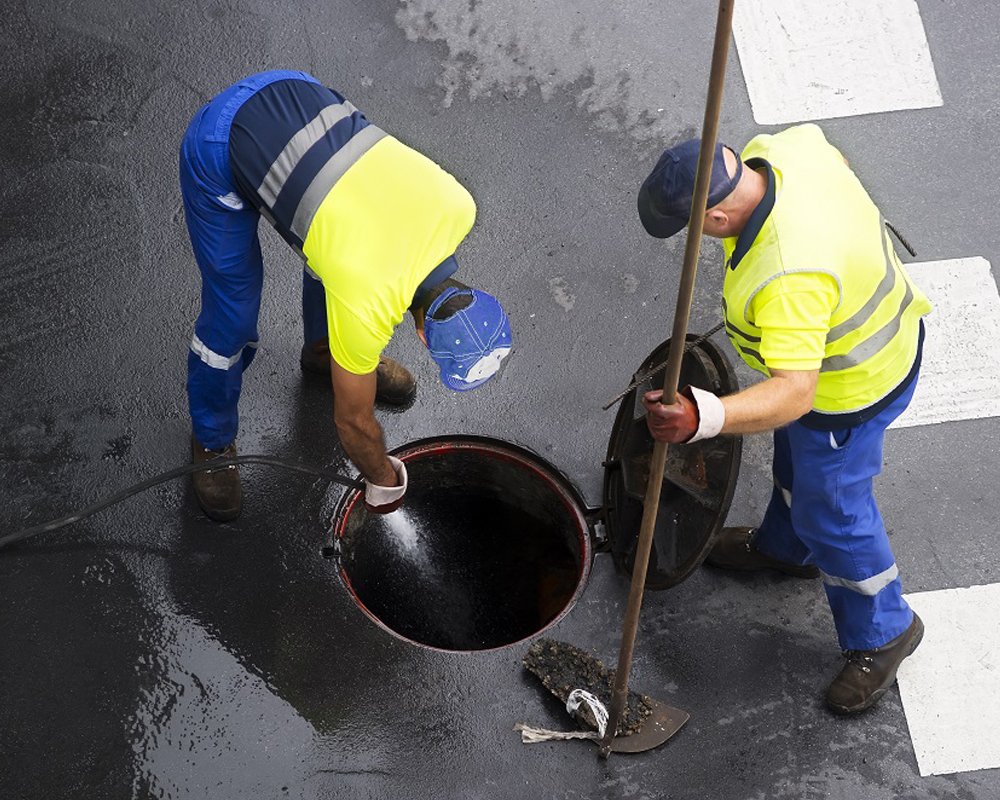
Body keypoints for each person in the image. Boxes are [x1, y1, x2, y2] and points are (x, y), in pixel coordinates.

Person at [636, 124, 930, 715]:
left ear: (717, 218)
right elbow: (836, 155)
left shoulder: (788, 276)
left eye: (694, 227)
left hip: (850, 389)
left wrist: (702, 416)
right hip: (878, 338)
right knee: (797, 465)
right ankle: (785, 548)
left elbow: (795, 396)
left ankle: (884, 630)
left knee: (835, 512)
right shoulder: (780, 151)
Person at [179, 70, 511, 522]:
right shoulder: (365, 304)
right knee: (231, 315)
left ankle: (324, 353)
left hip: (298, 93)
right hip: (220, 142)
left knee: (337, 249)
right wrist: (384, 480)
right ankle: (211, 439)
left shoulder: (459, 206)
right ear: (423, 337)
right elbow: (353, 425)